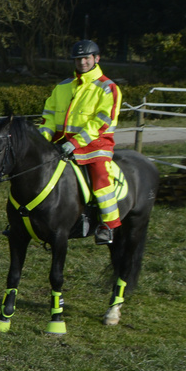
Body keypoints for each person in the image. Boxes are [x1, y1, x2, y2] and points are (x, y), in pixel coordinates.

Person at [41, 39, 122, 245]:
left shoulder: (107, 88)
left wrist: (76, 143)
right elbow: (48, 115)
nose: (82, 62)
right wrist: (43, 138)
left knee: (101, 179)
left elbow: (102, 122)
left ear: (96, 58)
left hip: (95, 146)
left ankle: (108, 226)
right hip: (60, 144)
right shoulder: (62, 86)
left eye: (86, 58)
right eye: (78, 59)